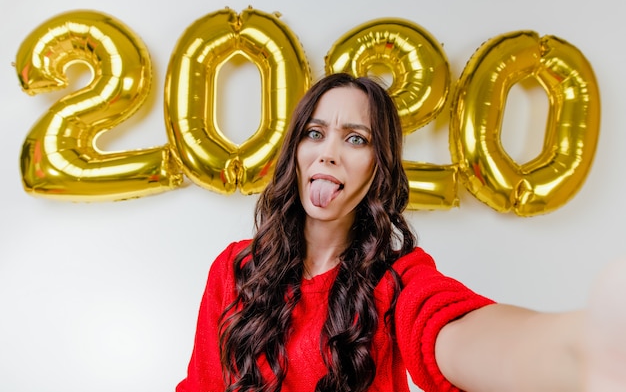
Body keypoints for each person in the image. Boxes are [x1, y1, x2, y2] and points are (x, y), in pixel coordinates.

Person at [176, 72, 625, 392]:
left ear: (378, 167)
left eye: (356, 139)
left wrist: (582, 347)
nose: (328, 153)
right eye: (315, 133)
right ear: (295, 150)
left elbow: (453, 331)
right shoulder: (236, 268)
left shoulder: (397, 278)